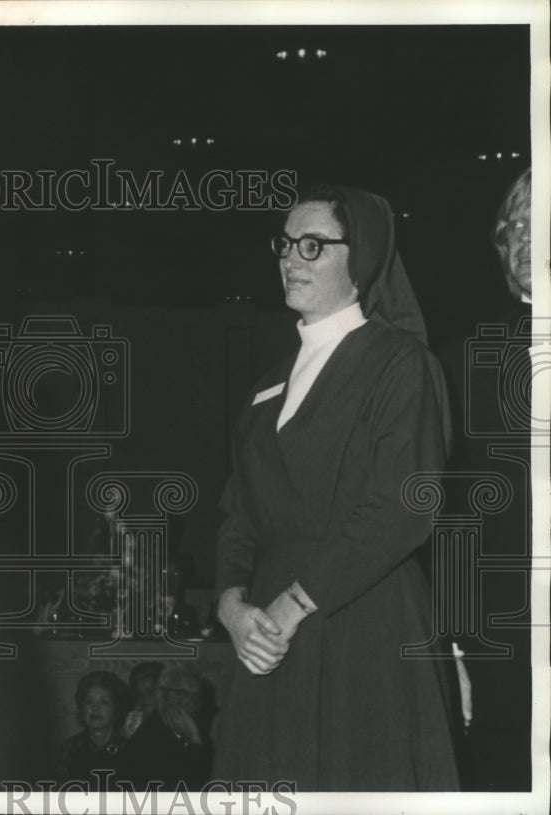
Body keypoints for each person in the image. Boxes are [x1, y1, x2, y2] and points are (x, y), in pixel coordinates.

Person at [214, 185, 460, 791]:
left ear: (363, 260)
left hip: (363, 621)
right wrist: (231, 605)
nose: (290, 258)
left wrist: (292, 606)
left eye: (313, 245)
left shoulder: (400, 363)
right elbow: (237, 515)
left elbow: (403, 509)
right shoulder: (266, 386)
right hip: (267, 638)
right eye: (285, 244)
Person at [439, 167, 533, 790]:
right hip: (501, 644)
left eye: (539, 225)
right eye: (515, 228)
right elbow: (448, 516)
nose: (524, 242)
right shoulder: (462, 360)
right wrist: (453, 647)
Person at [126, 666, 214, 790]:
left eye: (198, 696)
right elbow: (191, 786)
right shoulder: (149, 739)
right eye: (187, 694)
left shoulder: (199, 733)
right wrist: (194, 739)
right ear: (167, 697)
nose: (196, 703)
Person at [56, 671, 132, 790]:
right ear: (82, 708)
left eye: (104, 702)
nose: (95, 708)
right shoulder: (67, 751)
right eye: (89, 702)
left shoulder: (132, 751)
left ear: (116, 709)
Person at [120, 661, 164, 738]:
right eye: (138, 694)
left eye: (150, 692)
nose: (143, 701)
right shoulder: (126, 716)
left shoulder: (169, 719)